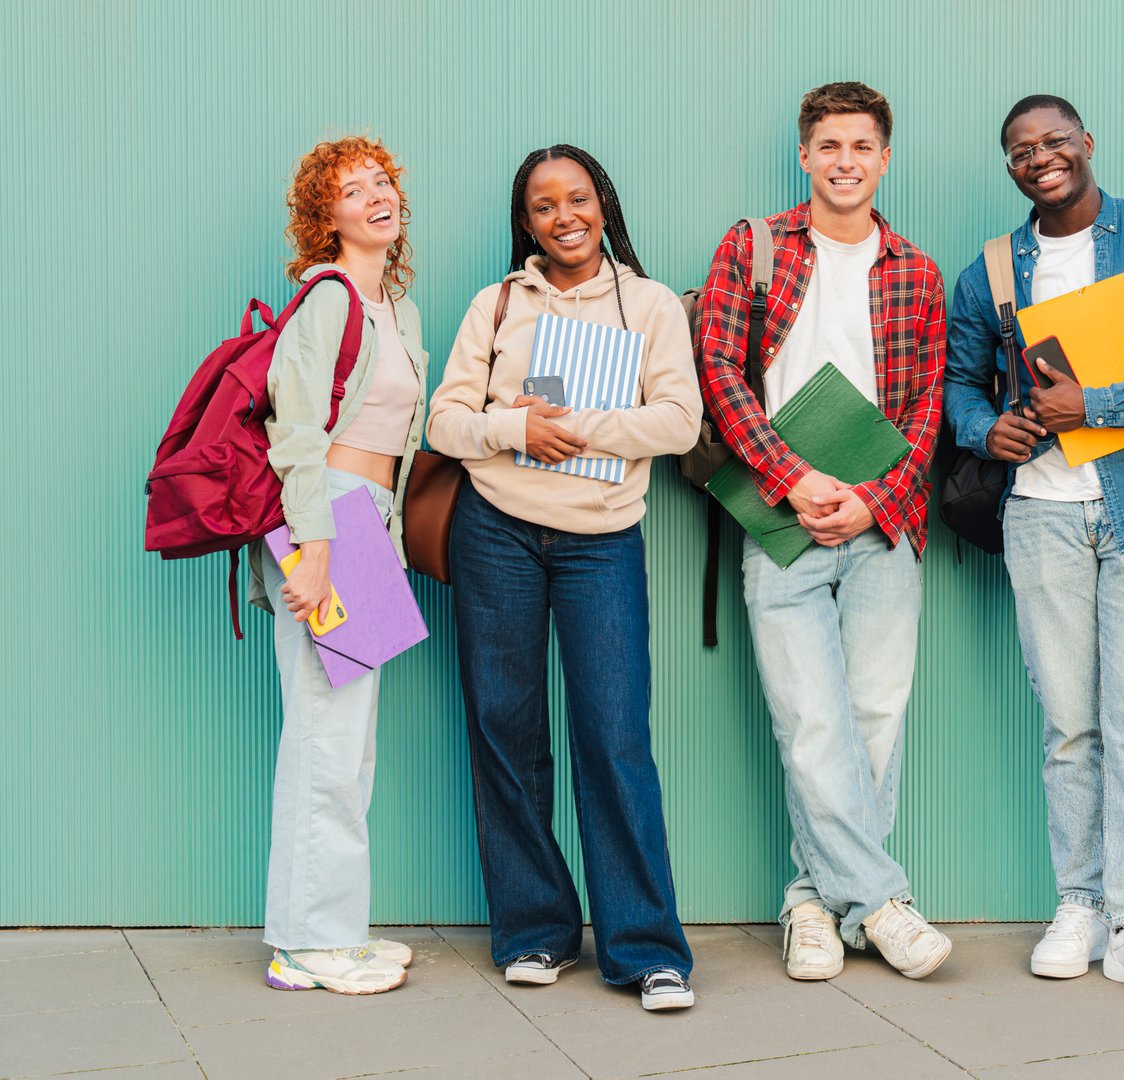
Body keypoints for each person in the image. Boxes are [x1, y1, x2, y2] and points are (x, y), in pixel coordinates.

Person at [942, 95, 1124, 1005]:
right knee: (1070, 728)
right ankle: (1080, 906)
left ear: (1087, 144)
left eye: (1055, 141)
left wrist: (1090, 407)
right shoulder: (988, 270)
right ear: (1008, 165)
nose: (1040, 158)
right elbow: (955, 380)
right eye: (1020, 149)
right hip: (1042, 517)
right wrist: (991, 432)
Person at [426, 145, 701, 1011]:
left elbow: (680, 420)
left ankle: (646, 948)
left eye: (576, 199)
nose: (563, 217)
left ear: (603, 206)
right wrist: (514, 429)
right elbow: (443, 421)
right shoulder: (498, 302)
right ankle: (535, 932)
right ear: (527, 221)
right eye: (543, 206)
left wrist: (573, 429)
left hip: (600, 539)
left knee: (613, 737)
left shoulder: (649, 304)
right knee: (504, 729)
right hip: (495, 532)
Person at [694, 82, 951, 982]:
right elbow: (720, 372)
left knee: (874, 717)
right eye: (828, 145)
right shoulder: (754, 246)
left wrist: (871, 499)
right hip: (778, 514)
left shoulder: (916, 271)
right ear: (804, 157)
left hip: (883, 521)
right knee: (809, 719)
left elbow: (926, 410)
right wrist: (795, 478)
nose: (844, 161)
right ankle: (881, 903)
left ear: (884, 159)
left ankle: (813, 900)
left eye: (862, 146)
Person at [254, 136, 428, 995]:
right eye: (352, 190)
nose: (374, 197)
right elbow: (295, 430)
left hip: (370, 527)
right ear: (326, 219)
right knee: (325, 737)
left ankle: (331, 931)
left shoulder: (392, 305)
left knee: (347, 744)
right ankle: (307, 945)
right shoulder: (327, 297)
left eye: (381, 183)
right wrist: (316, 547)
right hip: (330, 519)